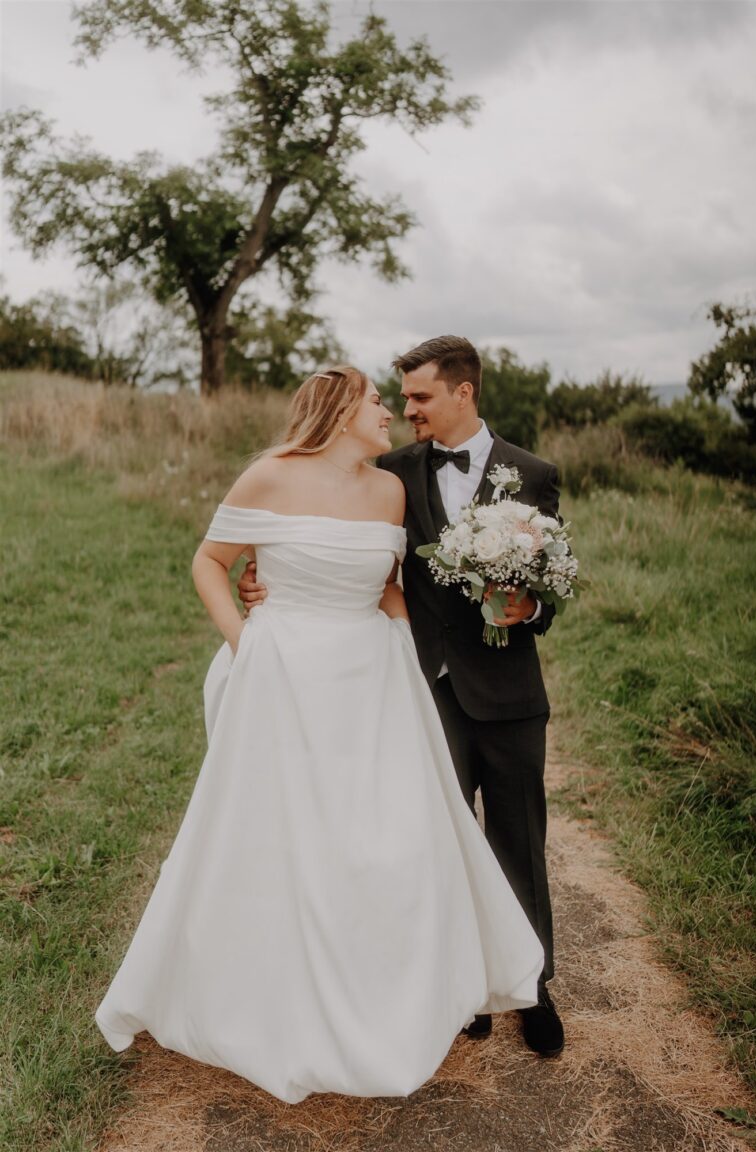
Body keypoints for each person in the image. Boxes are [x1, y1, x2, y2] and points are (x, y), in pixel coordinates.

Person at [95, 365, 544, 1105]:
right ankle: (274, 994)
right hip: (283, 674)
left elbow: (393, 587)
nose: (389, 413)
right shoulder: (268, 476)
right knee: (286, 835)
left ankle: (387, 989)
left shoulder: (390, 490)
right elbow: (210, 563)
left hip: (370, 674)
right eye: (377, 401)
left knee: (384, 833)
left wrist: (405, 661)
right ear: (339, 410)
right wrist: (247, 643)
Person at [239, 337, 565, 1058]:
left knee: (520, 841)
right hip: (419, 684)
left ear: (463, 393)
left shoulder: (532, 473)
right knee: (431, 842)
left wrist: (530, 612)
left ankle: (533, 988)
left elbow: (553, 581)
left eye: (419, 397)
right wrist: (264, 586)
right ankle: (458, 988)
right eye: (403, 398)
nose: (409, 408)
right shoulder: (388, 471)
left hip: (509, 691)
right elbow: (329, 538)